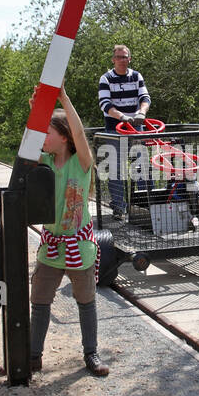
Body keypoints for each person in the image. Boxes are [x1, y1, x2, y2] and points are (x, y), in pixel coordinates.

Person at [31, 86, 111, 377]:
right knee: (40, 304)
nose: (43, 138)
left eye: (47, 132)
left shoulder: (81, 163)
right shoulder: (45, 163)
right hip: (51, 248)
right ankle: (33, 356)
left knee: (86, 303)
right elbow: (27, 145)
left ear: (63, 137)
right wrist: (36, 114)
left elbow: (80, 134)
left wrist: (64, 97)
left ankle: (91, 353)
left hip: (81, 248)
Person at [97, 44, 150, 218]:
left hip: (136, 128)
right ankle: (119, 207)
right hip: (114, 129)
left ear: (129, 59)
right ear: (113, 60)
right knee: (116, 168)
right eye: (118, 57)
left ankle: (145, 206)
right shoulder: (106, 79)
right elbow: (105, 104)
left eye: (125, 57)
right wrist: (122, 117)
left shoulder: (136, 76)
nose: (122, 60)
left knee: (142, 166)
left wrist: (141, 113)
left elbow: (145, 97)